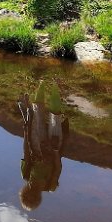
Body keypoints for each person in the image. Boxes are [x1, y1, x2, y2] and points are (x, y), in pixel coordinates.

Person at [17, 83, 68, 211]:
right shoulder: (50, 186)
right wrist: (55, 151)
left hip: (37, 145)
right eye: (32, 197)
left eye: (28, 195)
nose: (31, 194)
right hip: (53, 148)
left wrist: (26, 132)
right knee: (55, 118)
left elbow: (27, 154)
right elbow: (57, 167)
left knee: (37, 112)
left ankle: (42, 82)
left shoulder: (26, 175)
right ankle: (55, 84)